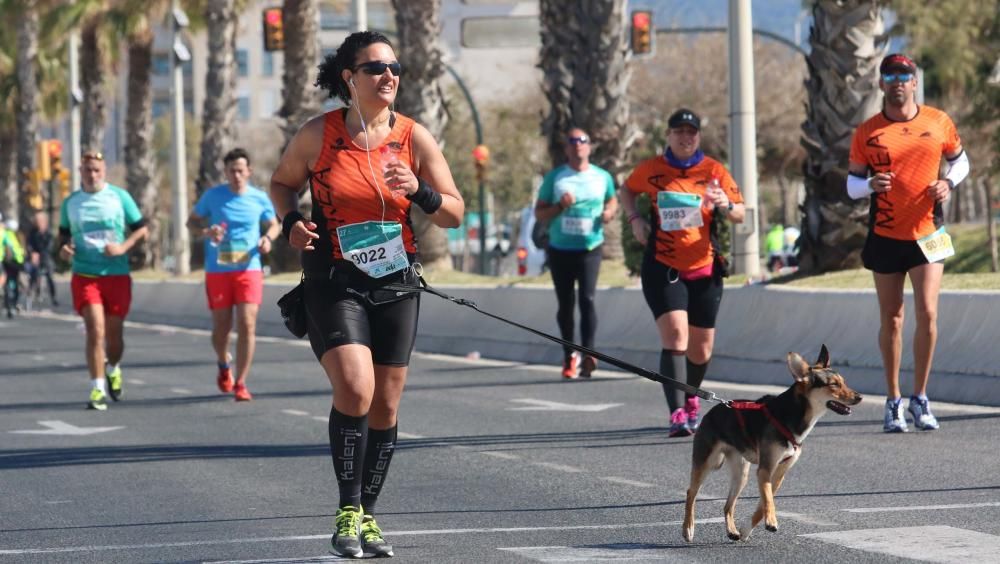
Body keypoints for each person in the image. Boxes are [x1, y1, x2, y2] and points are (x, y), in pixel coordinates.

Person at [269, 31, 464, 558]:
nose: (388, 76)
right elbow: (282, 183)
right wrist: (291, 222)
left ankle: (370, 516)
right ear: (348, 78)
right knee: (355, 388)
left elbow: (454, 211)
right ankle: (347, 509)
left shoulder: (413, 137)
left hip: (397, 282)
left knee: (385, 403)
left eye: (394, 67)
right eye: (375, 68)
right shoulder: (318, 135)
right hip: (335, 280)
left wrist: (418, 191)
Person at [846, 53, 968, 433]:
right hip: (885, 235)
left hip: (929, 231)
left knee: (928, 313)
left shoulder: (938, 121)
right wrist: (869, 185)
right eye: (890, 75)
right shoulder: (867, 131)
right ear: (881, 83)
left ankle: (921, 397)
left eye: (904, 74)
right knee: (893, 319)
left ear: (914, 82)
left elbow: (962, 162)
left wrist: (948, 182)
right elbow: (851, 185)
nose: (898, 81)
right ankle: (894, 400)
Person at [620, 109, 745, 437]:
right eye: (679, 132)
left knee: (701, 349)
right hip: (664, 266)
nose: (685, 137)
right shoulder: (652, 169)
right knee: (676, 336)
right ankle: (677, 412)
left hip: (705, 268)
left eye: (691, 132)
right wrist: (635, 219)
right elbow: (627, 190)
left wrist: (725, 204)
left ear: (698, 137)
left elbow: (741, 213)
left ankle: (690, 397)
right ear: (669, 135)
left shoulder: (714, 170)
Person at [59, 150, 149, 411]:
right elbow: (63, 237)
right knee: (95, 329)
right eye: (88, 170)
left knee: (114, 336)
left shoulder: (119, 197)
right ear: (81, 172)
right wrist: (64, 250)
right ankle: (97, 388)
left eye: (97, 170)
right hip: (86, 275)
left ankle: (113, 367)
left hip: (116, 275)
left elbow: (142, 229)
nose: (92, 175)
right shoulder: (71, 202)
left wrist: (123, 247)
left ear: (104, 170)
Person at [187, 148, 279, 402]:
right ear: (225, 173)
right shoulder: (213, 196)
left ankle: (241, 382)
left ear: (249, 171)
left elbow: (274, 224)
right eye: (232, 171)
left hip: (249, 268)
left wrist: (267, 238)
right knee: (222, 328)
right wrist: (206, 231)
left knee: (247, 324)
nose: (237, 175)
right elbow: (191, 222)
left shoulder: (259, 198)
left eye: (241, 170)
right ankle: (223, 362)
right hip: (218, 271)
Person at [534, 127, 617, 379]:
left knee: (588, 300)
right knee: (566, 304)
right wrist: (560, 206)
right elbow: (540, 213)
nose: (578, 144)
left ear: (589, 146)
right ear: (567, 148)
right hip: (560, 249)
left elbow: (611, 200)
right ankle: (570, 355)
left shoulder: (602, 177)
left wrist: (609, 213)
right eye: (572, 141)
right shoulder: (556, 178)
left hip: (590, 246)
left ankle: (589, 353)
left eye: (582, 140)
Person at [26, 211, 59, 307]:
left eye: (39, 221)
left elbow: (50, 247)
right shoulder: (32, 232)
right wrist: (32, 253)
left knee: (50, 277)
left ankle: (53, 297)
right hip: (35, 257)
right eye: (36, 221)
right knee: (33, 275)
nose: (38, 223)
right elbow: (29, 244)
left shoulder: (48, 233)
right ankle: (31, 296)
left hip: (46, 257)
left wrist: (41, 254)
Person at [2, 217, 26, 318]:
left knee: (11, 283)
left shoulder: (7, 233)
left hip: (10, 262)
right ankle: (13, 304)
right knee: (14, 283)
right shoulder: (9, 234)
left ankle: (11, 304)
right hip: (14, 262)